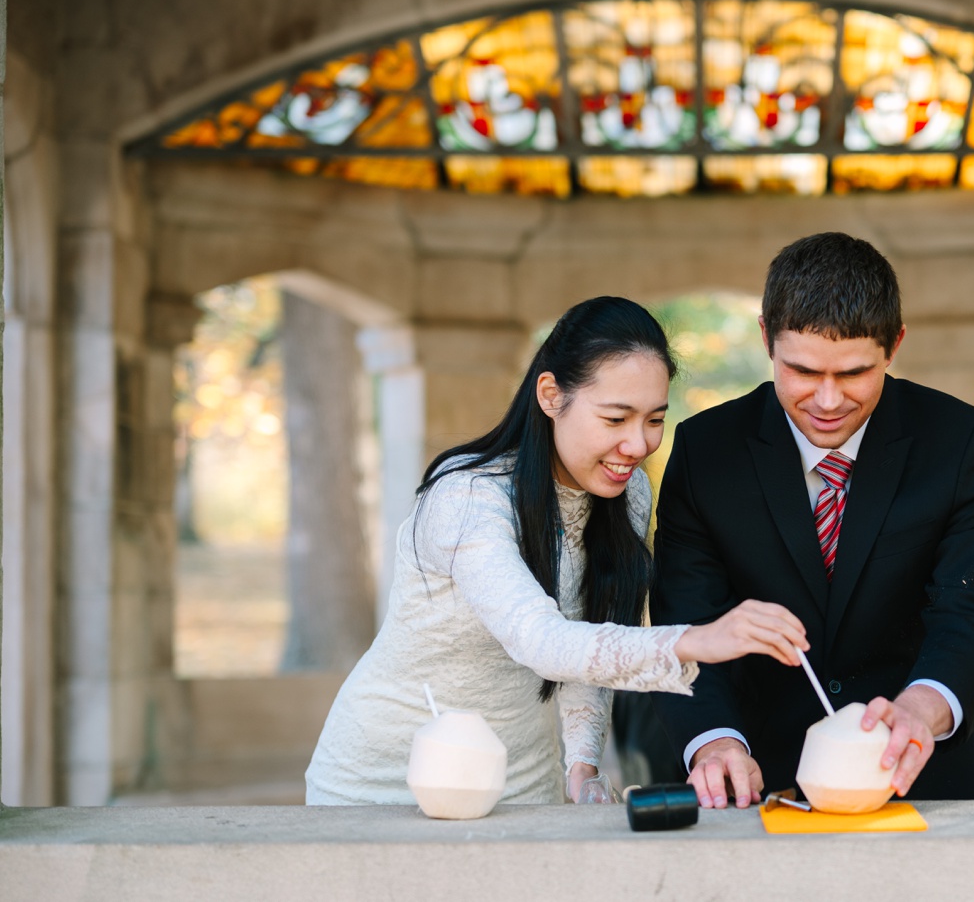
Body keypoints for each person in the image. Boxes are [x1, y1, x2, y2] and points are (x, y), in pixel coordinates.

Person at [305, 296, 808, 806]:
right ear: (550, 395)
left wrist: (582, 764)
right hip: (384, 778)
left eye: (654, 419)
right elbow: (541, 640)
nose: (638, 445)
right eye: (616, 419)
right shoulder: (467, 498)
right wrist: (698, 639)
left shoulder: (629, 493)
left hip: (522, 782)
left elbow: (593, 635)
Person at [649, 233, 974, 806]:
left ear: (894, 345)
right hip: (756, 780)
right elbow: (687, 618)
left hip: (926, 779)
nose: (827, 401)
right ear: (766, 338)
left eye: (853, 374)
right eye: (802, 371)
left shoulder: (960, 441)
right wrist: (714, 742)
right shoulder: (705, 452)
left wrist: (921, 708)